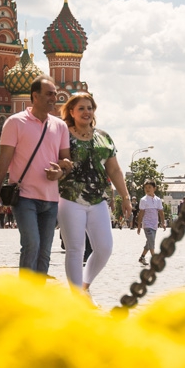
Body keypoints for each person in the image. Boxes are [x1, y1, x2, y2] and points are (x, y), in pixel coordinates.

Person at [0, 75, 71, 275]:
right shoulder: (15, 123)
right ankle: (25, 292)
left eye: (55, 94)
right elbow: (3, 161)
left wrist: (60, 172)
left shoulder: (60, 126)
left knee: (44, 252)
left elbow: (67, 162)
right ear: (35, 96)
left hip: (51, 199)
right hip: (24, 197)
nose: (54, 98)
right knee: (31, 244)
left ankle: (39, 292)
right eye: (49, 94)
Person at [56, 93, 133, 293]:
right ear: (71, 112)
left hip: (98, 199)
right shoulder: (63, 134)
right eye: (81, 108)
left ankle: (84, 286)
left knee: (104, 248)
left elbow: (114, 169)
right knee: (75, 249)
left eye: (89, 108)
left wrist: (125, 197)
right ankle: (77, 297)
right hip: (70, 197)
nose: (86, 112)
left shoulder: (103, 137)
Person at [137, 180, 166, 263]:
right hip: (147, 225)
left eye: (149, 187)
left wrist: (163, 222)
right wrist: (139, 226)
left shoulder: (158, 200)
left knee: (149, 242)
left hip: (154, 225)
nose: (147, 189)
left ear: (154, 188)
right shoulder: (143, 200)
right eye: (145, 188)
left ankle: (142, 257)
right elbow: (141, 214)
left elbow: (161, 212)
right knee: (152, 242)